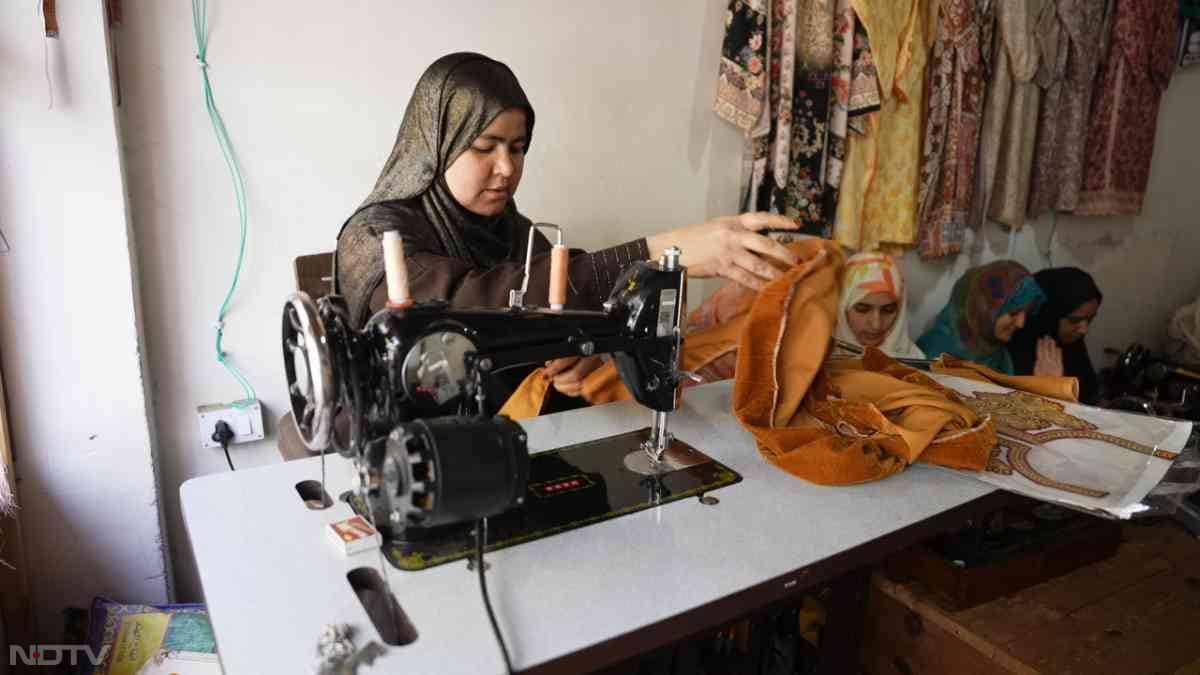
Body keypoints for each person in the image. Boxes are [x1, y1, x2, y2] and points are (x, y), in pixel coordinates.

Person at [334, 52, 799, 404]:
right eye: (485, 146)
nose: (506, 168)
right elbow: (473, 301)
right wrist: (656, 251)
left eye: (517, 148)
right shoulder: (373, 238)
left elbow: (539, 309)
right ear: (435, 143)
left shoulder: (508, 228)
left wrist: (570, 350)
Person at [916, 260, 1045, 374]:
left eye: (1026, 313)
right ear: (981, 308)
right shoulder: (928, 359)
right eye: (1013, 313)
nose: (1021, 323)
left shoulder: (999, 358)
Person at [1009, 267, 1103, 404]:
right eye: (1074, 320)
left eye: (1090, 319)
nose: (1084, 330)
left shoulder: (1072, 347)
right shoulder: (1012, 350)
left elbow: (1089, 398)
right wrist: (1050, 388)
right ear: (1049, 315)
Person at [833, 253, 924, 359]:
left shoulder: (916, 362)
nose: (876, 324)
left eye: (888, 310)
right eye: (862, 309)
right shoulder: (818, 357)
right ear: (843, 307)